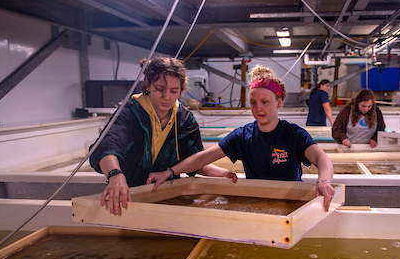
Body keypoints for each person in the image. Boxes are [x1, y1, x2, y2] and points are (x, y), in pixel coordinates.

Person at [147, 65, 336, 211]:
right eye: (253, 103)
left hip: (291, 205)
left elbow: (322, 159)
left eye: (264, 102)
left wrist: (324, 181)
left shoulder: (294, 134)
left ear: (279, 102)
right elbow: (202, 158)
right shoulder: (242, 136)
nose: (258, 108)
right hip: (255, 204)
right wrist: (169, 172)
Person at [89, 56, 235, 214]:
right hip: (130, 198)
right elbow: (107, 146)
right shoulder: (131, 112)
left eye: (174, 91)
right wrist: (115, 175)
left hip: (170, 198)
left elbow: (195, 160)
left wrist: (223, 174)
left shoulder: (184, 119)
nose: (167, 96)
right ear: (148, 84)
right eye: (159, 89)